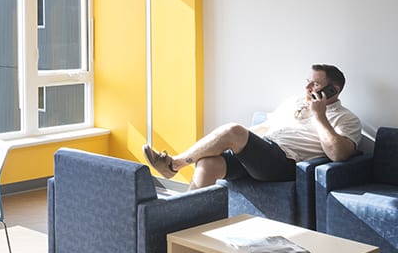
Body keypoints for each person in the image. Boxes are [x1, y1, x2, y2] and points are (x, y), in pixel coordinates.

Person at [143, 64, 361, 190]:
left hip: (283, 163)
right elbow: (265, 128)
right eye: (308, 81)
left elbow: (339, 155)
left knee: (234, 130)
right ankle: (187, 222)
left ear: (333, 89)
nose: (307, 87)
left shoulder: (346, 118)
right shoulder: (293, 102)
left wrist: (319, 116)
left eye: (315, 83)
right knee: (208, 163)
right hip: (261, 154)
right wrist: (233, 144)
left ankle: (174, 165)